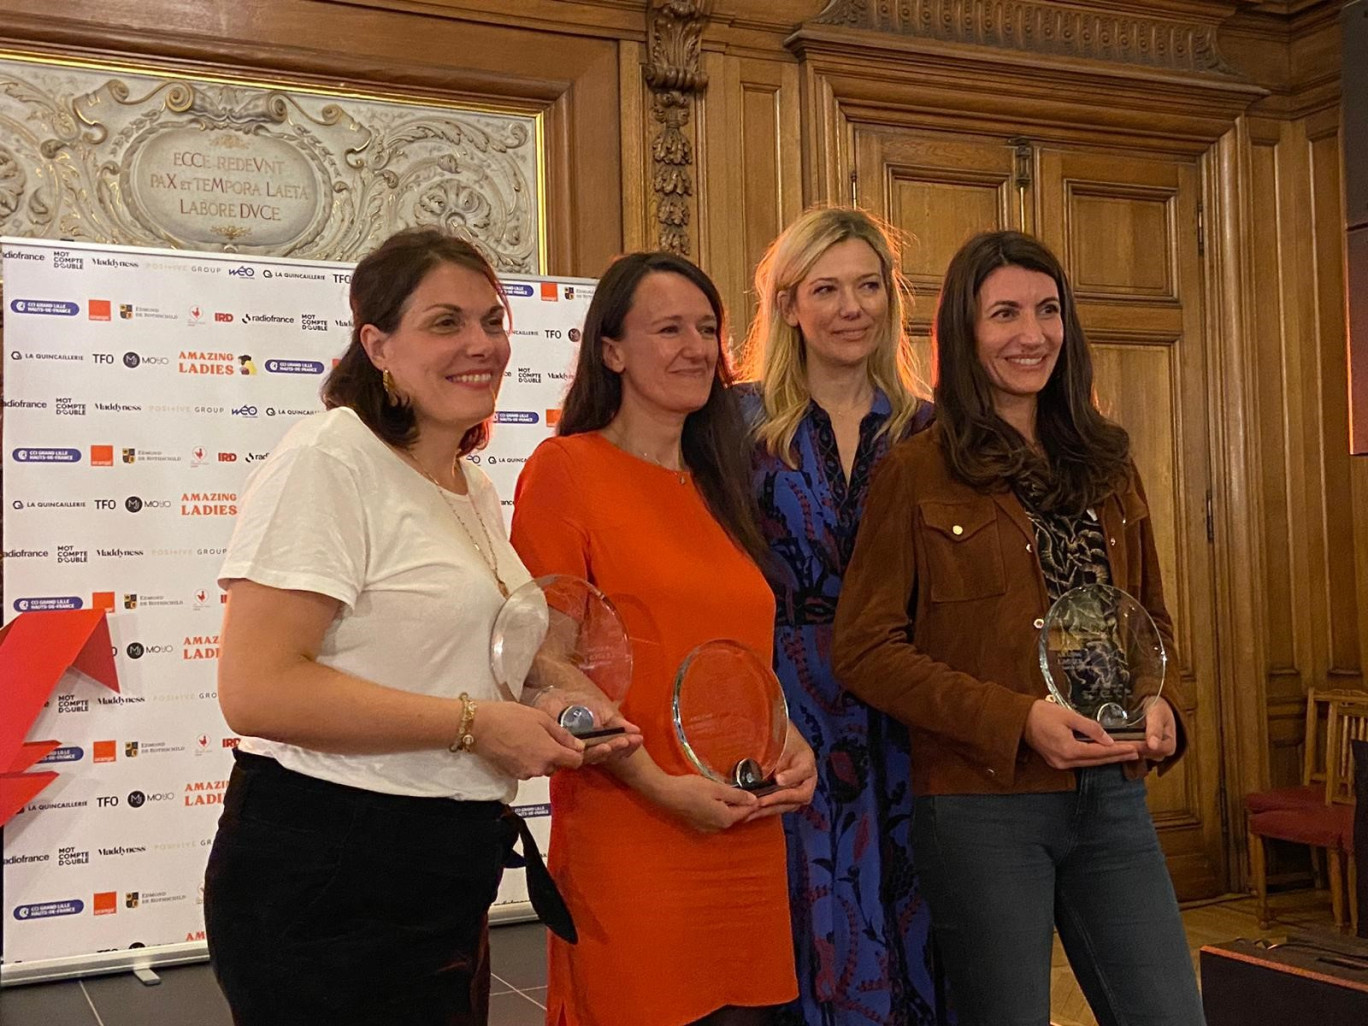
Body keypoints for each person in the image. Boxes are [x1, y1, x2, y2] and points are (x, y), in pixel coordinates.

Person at [204, 227, 637, 1026]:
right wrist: (476, 728)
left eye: (493, 321)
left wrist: (557, 699)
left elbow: (446, 655)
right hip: (329, 872)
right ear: (378, 344)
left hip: (440, 866)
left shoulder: (466, 482)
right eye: (446, 323)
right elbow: (256, 689)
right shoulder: (329, 461)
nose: (481, 345)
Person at [832, 230, 1204, 1026]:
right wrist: (1017, 720)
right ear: (965, 334)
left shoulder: (1109, 464)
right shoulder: (914, 470)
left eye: (1047, 310)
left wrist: (1165, 702)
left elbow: (1152, 624)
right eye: (1004, 313)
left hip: (1112, 796)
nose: (1030, 334)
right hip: (980, 808)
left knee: (1170, 1012)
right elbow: (864, 650)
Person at [510, 251, 818, 1026]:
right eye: (669, 329)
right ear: (611, 351)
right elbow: (540, 667)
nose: (696, 349)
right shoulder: (565, 470)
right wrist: (657, 784)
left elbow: (735, 651)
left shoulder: (724, 483)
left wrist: (793, 739)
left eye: (708, 329)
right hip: (633, 830)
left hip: (744, 828)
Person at [739, 206, 940, 1026]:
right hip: (786, 703)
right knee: (798, 910)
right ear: (789, 305)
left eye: (868, 286)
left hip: (908, 706)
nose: (851, 307)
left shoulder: (932, 429)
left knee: (916, 909)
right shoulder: (734, 423)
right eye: (826, 288)